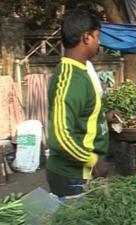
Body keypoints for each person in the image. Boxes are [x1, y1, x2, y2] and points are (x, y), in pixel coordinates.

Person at [46, 9, 118, 197]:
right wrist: (93, 161)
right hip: (74, 177)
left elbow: (82, 114)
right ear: (86, 38)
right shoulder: (70, 79)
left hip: (85, 174)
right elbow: (60, 136)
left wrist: (103, 117)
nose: (99, 42)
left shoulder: (82, 71)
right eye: (97, 36)